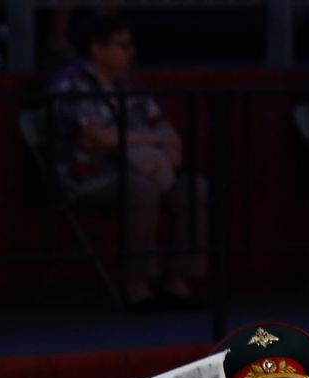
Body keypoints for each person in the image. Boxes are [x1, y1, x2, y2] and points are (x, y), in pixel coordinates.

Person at [50, 14, 206, 312]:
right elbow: (91, 138)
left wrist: (163, 146)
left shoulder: (127, 85)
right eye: (124, 45)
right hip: (89, 175)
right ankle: (138, 286)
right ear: (97, 49)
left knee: (194, 189)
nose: (132, 52)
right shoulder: (71, 85)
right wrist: (149, 141)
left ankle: (177, 280)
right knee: (142, 189)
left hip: (143, 167)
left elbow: (168, 133)